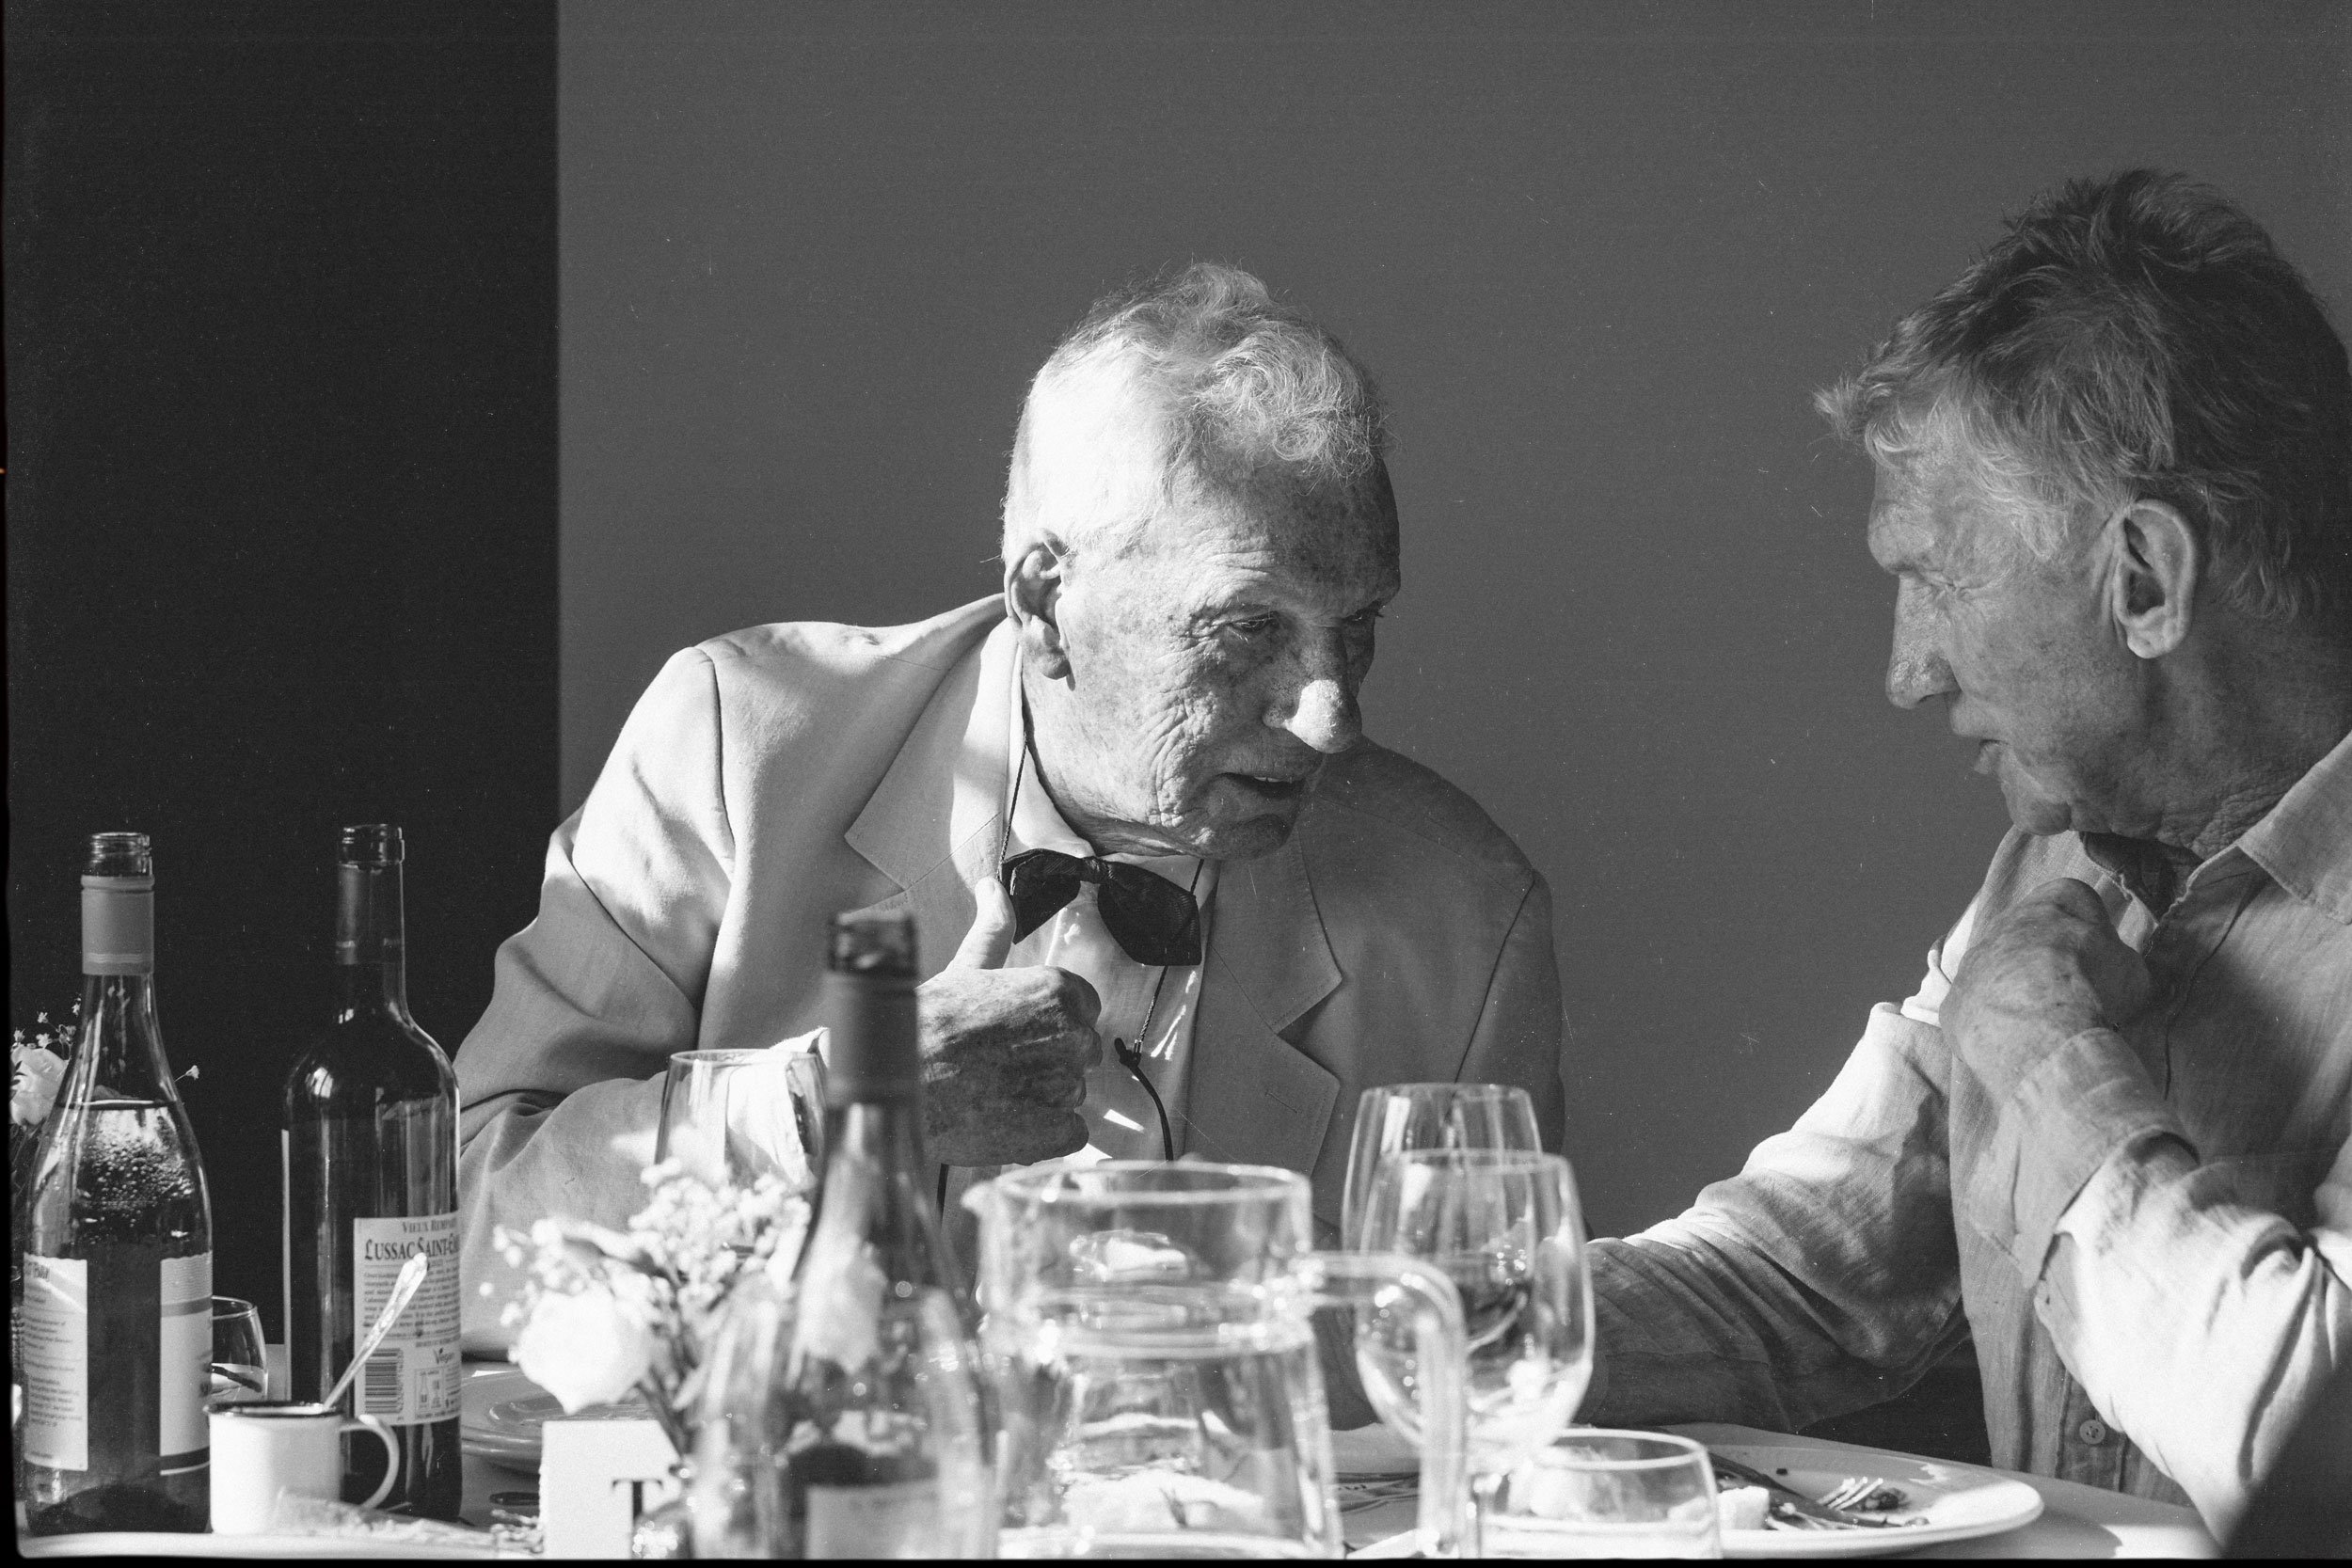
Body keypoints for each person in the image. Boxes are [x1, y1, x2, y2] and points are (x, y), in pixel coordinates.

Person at [453, 262, 1565, 1358]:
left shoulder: (1463, 918)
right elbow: (458, 1235)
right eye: (1248, 627)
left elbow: (1493, 1358)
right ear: (1044, 600)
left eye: (1357, 626)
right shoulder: (738, 746)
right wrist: (842, 1103)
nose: (1330, 717)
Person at [1582, 168, 2352, 1535]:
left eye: (1934, 577)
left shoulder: (2031, 964)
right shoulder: (2054, 865)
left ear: (2144, 577)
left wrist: (2042, 1047)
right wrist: (1404, 1319)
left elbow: (2310, 1449)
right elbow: (1791, 1277)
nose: (1907, 671)